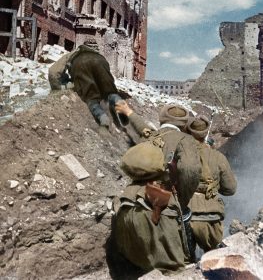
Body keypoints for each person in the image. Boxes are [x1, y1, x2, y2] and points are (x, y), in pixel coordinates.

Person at [112, 102, 202, 274]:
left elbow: (142, 128)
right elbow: (190, 170)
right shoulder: (185, 140)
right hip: (158, 210)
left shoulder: (151, 137)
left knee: (136, 270)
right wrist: (181, 200)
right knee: (173, 272)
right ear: (184, 126)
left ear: (161, 121)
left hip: (126, 204)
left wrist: (128, 112)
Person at [185, 115, 237, 252]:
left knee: (184, 264)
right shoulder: (218, 157)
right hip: (211, 215)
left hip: (185, 214)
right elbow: (230, 189)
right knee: (213, 256)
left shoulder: (181, 155)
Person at [48, 40, 128, 128]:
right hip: (101, 62)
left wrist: (57, 87)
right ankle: (119, 103)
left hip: (79, 63)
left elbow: (53, 71)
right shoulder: (99, 56)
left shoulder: (74, 54)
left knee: (90, 98)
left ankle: (103, 118)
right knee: (111, 93)